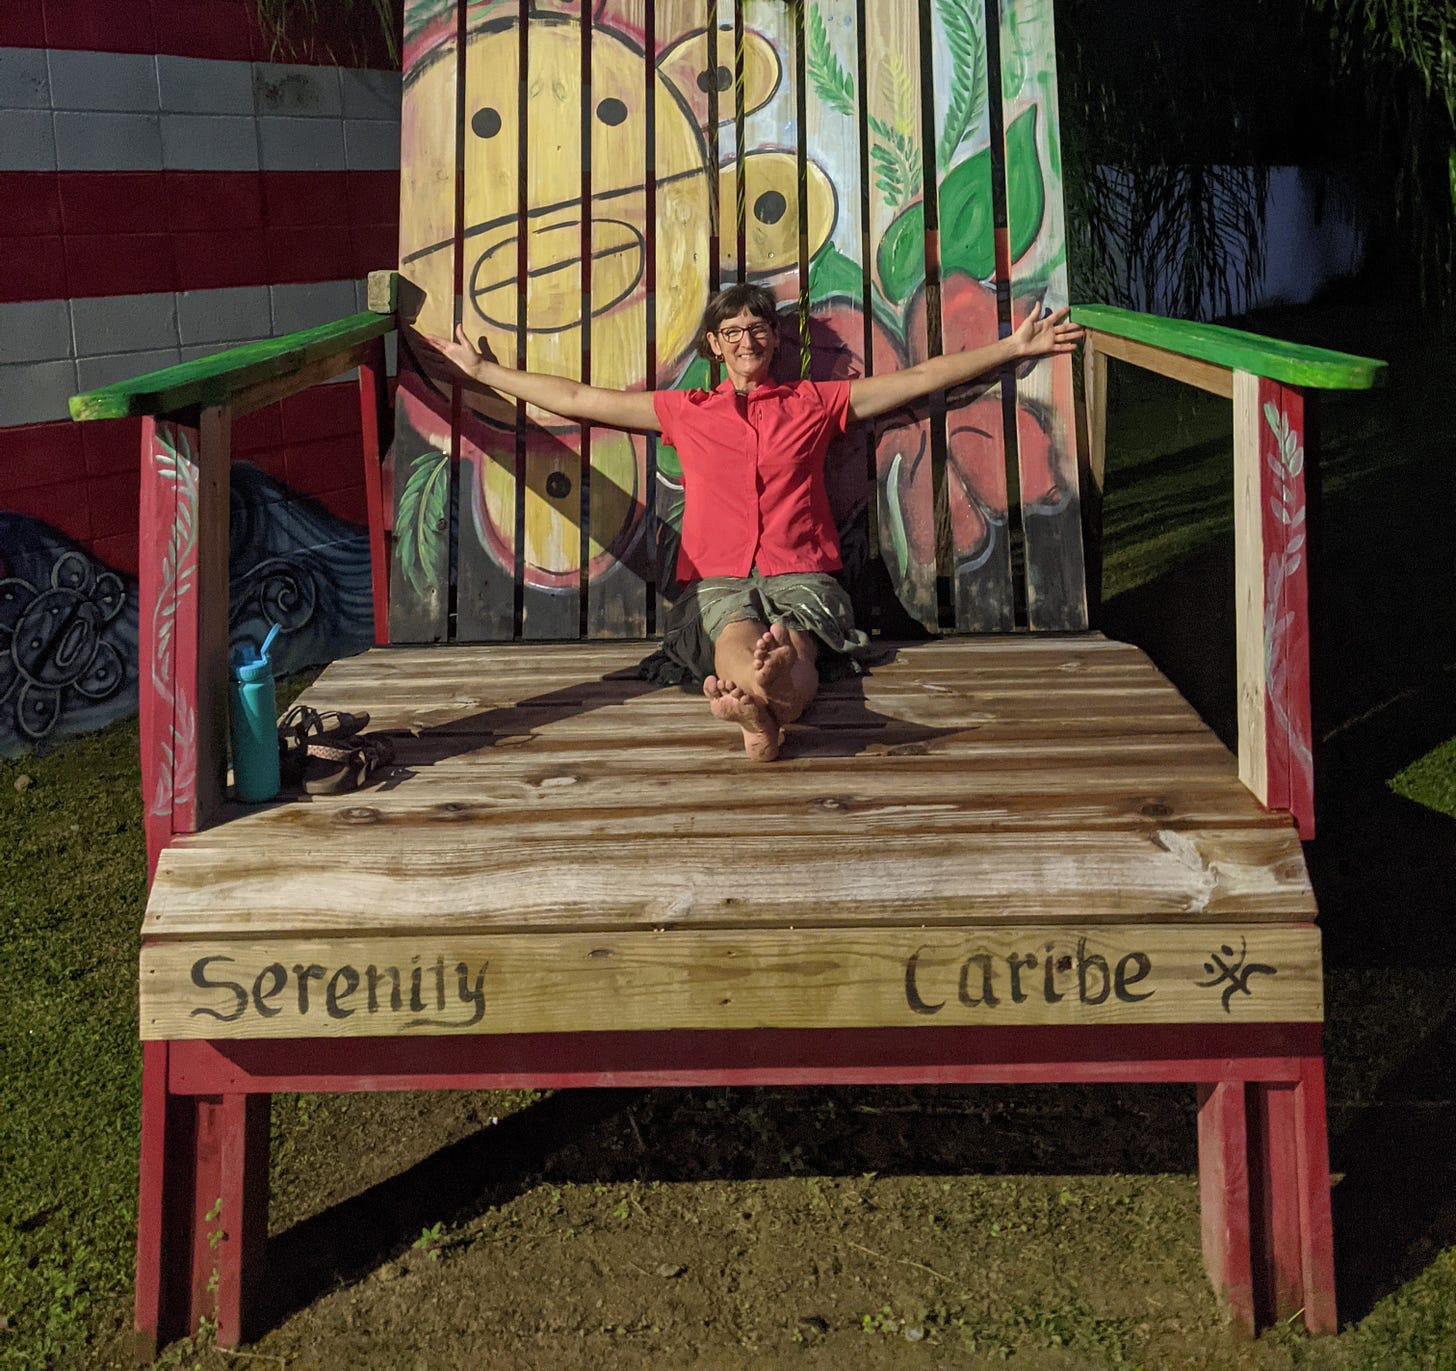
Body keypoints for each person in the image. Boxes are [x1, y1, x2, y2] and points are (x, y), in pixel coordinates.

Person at [422, 284, 1082, 761]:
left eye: (758, 327)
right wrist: (482, 370)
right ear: (715, 345)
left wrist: (1009, 348)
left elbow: (920, 378)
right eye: (732, 330)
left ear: (773, 339)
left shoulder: (816, 402)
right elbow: (577, 399)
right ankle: (759, 698)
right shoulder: (687, 410)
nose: (747, 338)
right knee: (735, 635)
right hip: (717, 575)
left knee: (793, 640)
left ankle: (757, 707)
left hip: (802, 570)